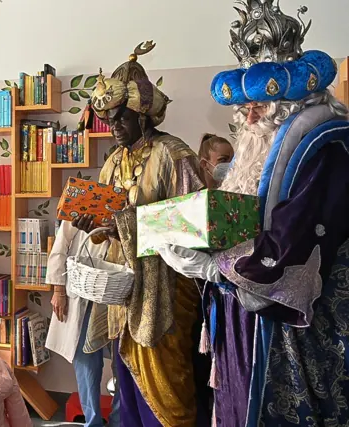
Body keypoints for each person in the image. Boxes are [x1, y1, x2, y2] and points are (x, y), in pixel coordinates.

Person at [158, 2, 349, 426]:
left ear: (293, 97)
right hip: (249, 321)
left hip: (294, 336)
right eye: (245, 105)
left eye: (261, 102)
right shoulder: (268, 148)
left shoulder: (323, 149)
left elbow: (292, 249)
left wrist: (213, 268)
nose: (249, 115)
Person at [71, 40, 210, 426]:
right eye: (109, 119)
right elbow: (109, 225)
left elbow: (195, 222)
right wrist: (96, 225)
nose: (113, 127)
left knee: (168, 388)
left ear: (144, 116)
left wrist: (127, 222)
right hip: (125, 290)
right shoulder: (113, 162)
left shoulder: (174, 154)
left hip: (166, 289)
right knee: (127, 385)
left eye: (122, 118)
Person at [44, 220, 120, 427]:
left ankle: (119, 421)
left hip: (119, 289)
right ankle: (92, 421)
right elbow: (61, 245)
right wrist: (58, 290)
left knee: (124, 363)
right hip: (83, 290)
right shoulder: (84, 193)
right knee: (86, 362)